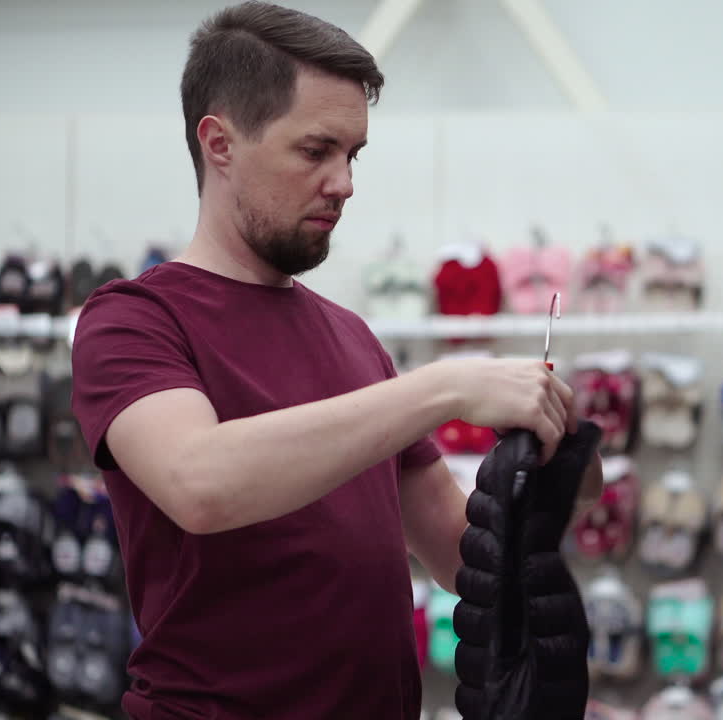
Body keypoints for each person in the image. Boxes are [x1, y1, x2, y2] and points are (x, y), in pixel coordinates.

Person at [69, 2, 603, 718]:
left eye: (353, 155)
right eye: (316, 151)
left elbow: (458, 553)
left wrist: (554, 463)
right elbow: (199, 481)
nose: (345, 183)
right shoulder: (134, 319)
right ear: (220, 143)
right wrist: (445, 387)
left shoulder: (352, 338)